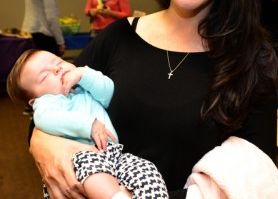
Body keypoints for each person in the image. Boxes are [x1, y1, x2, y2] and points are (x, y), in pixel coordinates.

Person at [29, 0, 278, 198]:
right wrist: (42, 143)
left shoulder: (251, 58)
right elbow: (43, 104)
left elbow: (255, 177)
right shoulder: (118, 37)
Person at [7, 49, 168, 199]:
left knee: (144, 169)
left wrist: (85, 74)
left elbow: (109, 92)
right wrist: (88, 124)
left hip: (114, 154)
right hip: (78, 156)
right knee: (94, 173)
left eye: (58, 62)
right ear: (34, 100)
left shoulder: (84, 88)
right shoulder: (47, 103)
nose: (57, 70)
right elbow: (47, 118)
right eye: (44, 76)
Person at [21, 0, 66, 117]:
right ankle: (48, 110)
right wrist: (60, 41)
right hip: (44, 33)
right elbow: (51, 16)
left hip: (30, 29)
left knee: (34, 72)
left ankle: (30, 106)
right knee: (50, 73)